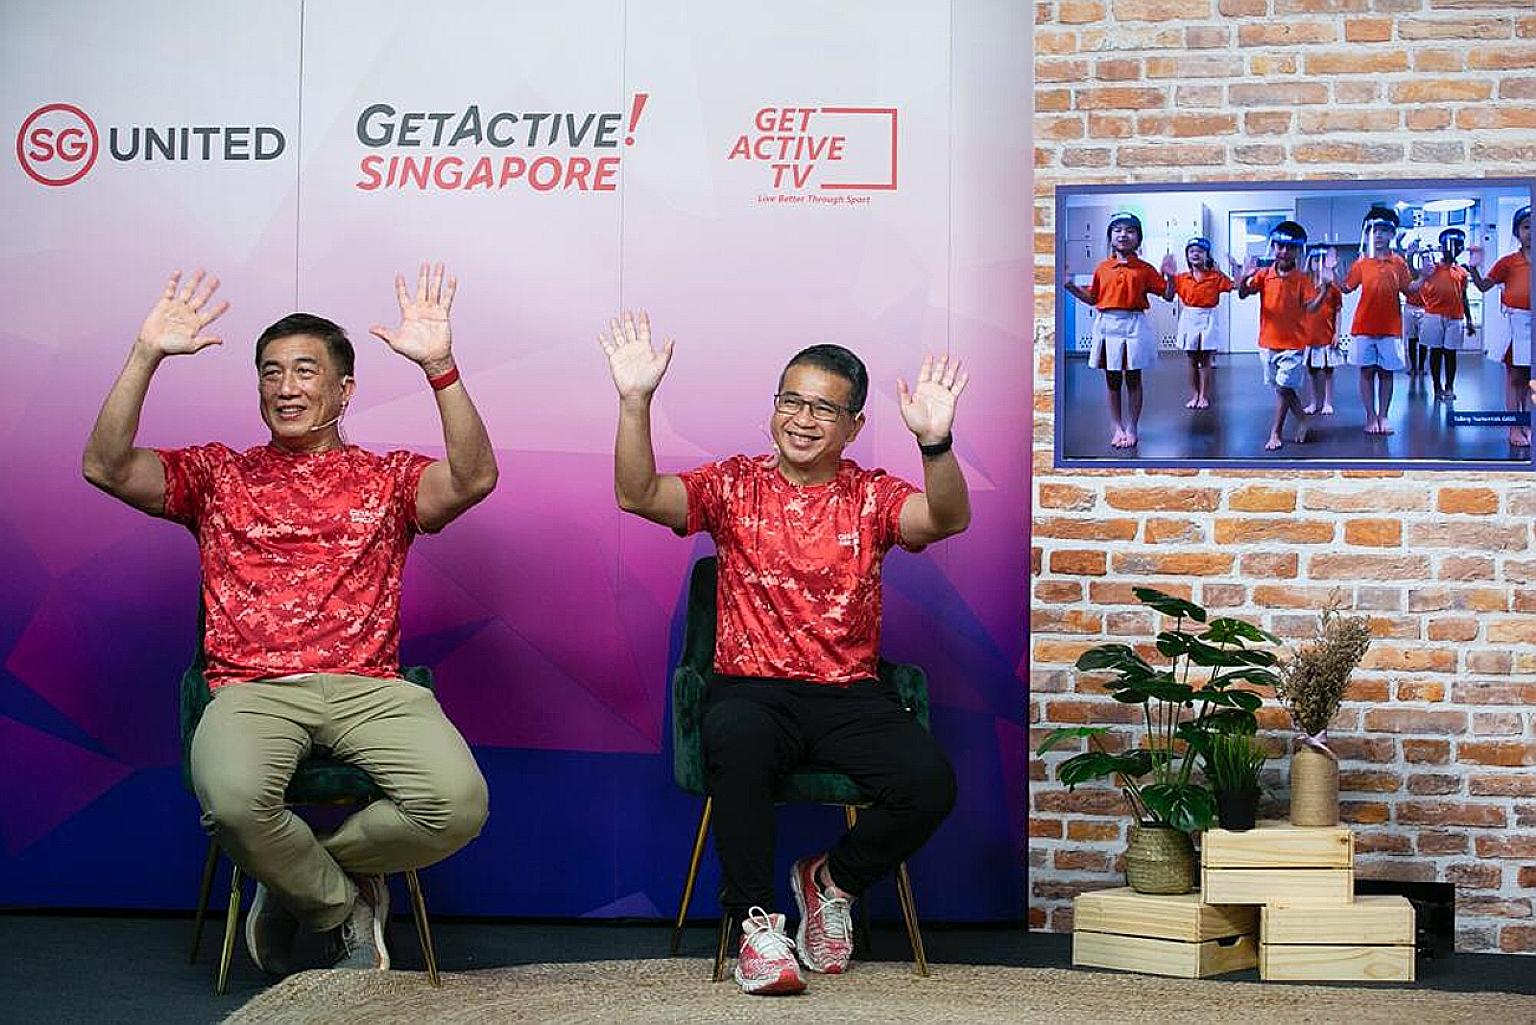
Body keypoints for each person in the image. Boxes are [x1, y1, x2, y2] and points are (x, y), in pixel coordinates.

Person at [82, 264, 496, 976]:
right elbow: (105, 465)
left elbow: (473, 477)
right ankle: (342, 905)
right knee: (236, 805)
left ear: (344, 390)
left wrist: (441, 368)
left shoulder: (386, 477)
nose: (286, 387)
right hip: (253, 689)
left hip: (368, 685)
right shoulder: (218, 475)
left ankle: (293, 882)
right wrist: (145, 353)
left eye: (306, 371)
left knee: (456, 804)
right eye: (271, 373)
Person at [598, 311, 965, 995]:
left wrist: (937, 445)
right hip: (753, 689)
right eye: (791, 400)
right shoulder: (733, 485)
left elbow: (945, 518)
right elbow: (637, 492)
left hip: (849, 692)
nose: (803, 418)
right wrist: (634, 400)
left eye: (824, 407)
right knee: (734, 733)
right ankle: (758, 926)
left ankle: (832, 880)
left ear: (853, 425)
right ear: (774, 408)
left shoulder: (870, 494)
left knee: (930, 783)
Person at [1063, 211, 1170, 449]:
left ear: (1139, 239)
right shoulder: (1102, 268)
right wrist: (1069, 285)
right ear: (1110, 236)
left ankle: (1132, 427)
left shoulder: (1145, 269)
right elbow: (1093, 298)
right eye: (1118, 230)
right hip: (1107, 326)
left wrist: (1170, 277)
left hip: (1134, 324)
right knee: (1111, 380)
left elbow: (1168, 294)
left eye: (1130, 230)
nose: (1124, 235)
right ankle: (1117, 427)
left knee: (1133, 378)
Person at [1236, 221, 1330, 451]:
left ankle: (1275, 431)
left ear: (1299, 251)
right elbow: (1242, 294)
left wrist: (1326, 289)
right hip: (1267, 343)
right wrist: (1243, 277)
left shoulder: (1302, 279)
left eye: (1290, 248)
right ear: (1273, 247)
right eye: (1280, 246)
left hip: (1293, 344)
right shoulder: (1264, 275)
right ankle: (1303, 420)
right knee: (1282, 388)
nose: (1284, 252)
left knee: (1283, 387)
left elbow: (1311, 308)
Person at [1337, 206, 1418, 436]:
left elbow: (1409, 290)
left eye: (1384, 230)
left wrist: (1424, 277)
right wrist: (1331, 275)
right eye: (1374, 230)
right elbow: (1346, 288)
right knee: (1366, 372)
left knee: (1386, 373)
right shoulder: (1361, 263)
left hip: (1390, 328)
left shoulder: (1399, 263)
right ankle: (1370, 416)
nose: (1379, 235)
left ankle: (1384, 415)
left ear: (1392, 234)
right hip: (1363, 327)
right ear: (1368, 234)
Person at [1468, 205, 1532, 447]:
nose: (1531, 232)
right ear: (1517, 232)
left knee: (1532, 381)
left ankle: (1528, 423)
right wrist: (1474, 267)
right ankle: (1514, 426)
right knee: (1516, 378)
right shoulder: (1508, 262)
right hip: (1517, 324)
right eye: (1526, 227)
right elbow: (1484, 286)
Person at [1164, 236, 1233, 410]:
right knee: (1192, 360)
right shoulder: (1181, 278)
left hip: (1207, 317)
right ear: (1187, 255)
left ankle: (1204, 395)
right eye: (1192, 251)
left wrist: (1234, 269)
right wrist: (1169, 277)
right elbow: (1169, 295)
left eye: (1200, 251)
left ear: (1207, 255)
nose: (1196, 254)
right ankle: (1194, 394)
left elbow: (1236, 286)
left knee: (1206, 360)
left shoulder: (1215, 277)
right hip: (1189, 318)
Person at [1418, 227, 1476, 402]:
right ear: (1442, 247)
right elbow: (1415, 274)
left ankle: (1450, 387)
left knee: (1451, 354)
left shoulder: (1462, 272)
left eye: (1458, 245)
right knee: (1435, 352)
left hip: (1455, 317)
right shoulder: (1431, 269)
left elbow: (1463, 296)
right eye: (1450, 245)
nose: (1453, 248)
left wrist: (1470, 319)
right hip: (1434, 316)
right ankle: (1437, 387)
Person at [1300, 243, 1344, 416]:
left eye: (1322, 260)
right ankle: (1312, 401)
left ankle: (1327, 402)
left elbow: (1338, 311)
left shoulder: (1333, 288)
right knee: (1311, 370)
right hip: (1309, 335)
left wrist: (1337, 333)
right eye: (1315, 260)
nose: (1318, 263)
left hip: (1326, 334)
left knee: (1327, 371)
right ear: (1310, 262)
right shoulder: (1305, 285)